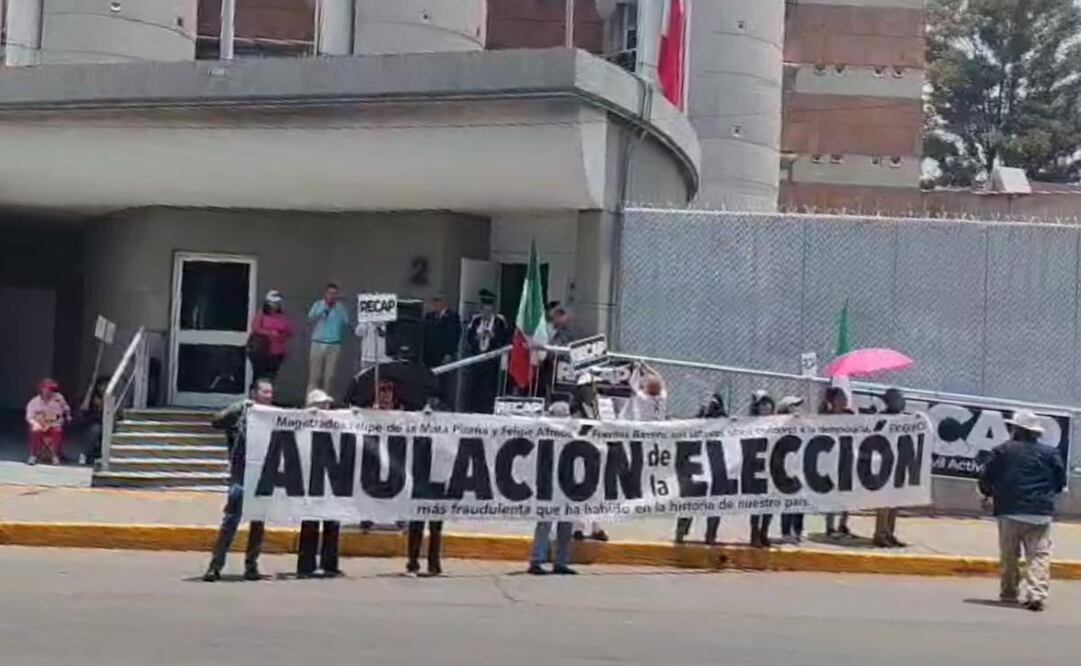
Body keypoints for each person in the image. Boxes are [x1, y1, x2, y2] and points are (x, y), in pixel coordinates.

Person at [978, 409, 1066, 612]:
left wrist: (987, 494)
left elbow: (986, 478)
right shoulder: (1050, 453)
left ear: (1016, 429)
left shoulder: (1002, 451)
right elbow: (1060, 482)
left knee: (1009, 555)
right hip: (1040, 512)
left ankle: (1009, 593)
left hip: (1008, 510)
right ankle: (1036, 594)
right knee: (1039, 555)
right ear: (1036, 433)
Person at [203, 379, 274, 582]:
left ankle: (251, 566)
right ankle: (215, 566)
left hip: (261, 477)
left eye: (271, 393)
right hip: (241, 477)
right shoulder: (241, 412)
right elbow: (216, 421)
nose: (269, 396)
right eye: (265, 392)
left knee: (258, 524)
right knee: (230, 523)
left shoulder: (272, 416)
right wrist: (240, 407)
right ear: (253, 393)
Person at [296, 389, 343, 579]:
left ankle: (329, 564)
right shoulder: (300, 425)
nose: (327, 408)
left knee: (332, 522)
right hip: (311, 480)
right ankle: (306, 566)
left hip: (331, 479)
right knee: (310, 523)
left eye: (327, 405)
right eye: (323, 405)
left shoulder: (334, 424)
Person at [528, 401, 577, 575]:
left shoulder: (572, 432)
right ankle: (538, 560)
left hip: (565, 481)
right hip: (549, 482)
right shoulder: (541, 431)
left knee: (565, 522)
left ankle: (560, 561)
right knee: (546, 521)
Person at [676, 392, 727, 545]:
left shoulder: (725, 422)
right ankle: (681, 532)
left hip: (716, 468)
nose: (712, 408)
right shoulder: (696, 423)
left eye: (715, 405)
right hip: (697, 469)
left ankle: (711, 535)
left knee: (716, 502)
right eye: (710, 405)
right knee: (690, 501)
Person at [873, 388, 908, 548]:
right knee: (884, 500)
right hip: (884, 462)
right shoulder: (882, 417)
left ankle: (889, 533)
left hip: (898, 462)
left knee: (895, 501)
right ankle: (879, 533)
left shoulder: (904, 419)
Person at [464, 289, 509, 414]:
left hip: (491, 361)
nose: (486, 314)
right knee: (474, 386)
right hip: (477, 359)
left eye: (488, 311)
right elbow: (469, 338)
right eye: (483, 310)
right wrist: (476, 338)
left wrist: (493, 336)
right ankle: (473, 409)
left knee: (488, 387)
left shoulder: (499, 322)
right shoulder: (476, 321)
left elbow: (504, 339)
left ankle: (486, 409)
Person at [822, 386, 854, 538]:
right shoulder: (826, 417)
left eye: (844, 396)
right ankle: (830, 526)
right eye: (840, 397)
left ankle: (843, 523)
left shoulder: (851, 415)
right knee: (832, 493)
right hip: (831, 458)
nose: (844, 400)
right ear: (832, 400)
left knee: (847, 492)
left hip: (847, 456)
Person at [307, 282, 350, 394]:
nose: (332, 296)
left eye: (335, 294)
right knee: (314, 375)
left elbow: (346, 322)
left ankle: (325, 400)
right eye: (330, 293)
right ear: (325, 294)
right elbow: (310, 319)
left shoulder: (340, 307)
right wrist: (323, 309)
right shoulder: (318, 304)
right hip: (318, 343)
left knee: (329, 376)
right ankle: (311, 400)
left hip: (334, 344)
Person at [748, 390, 777, 548]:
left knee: (770, 502)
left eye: (768, 403)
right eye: (762, 404)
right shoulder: (750, 424)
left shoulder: (777, 423)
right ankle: (754, 534)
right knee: (756, 503)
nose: (766, 407)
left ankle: (764, 532)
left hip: (771, 466)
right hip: (755, 466)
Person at [777, 395, 806, 543]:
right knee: (788, 500)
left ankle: (798, 530)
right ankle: (786, 531)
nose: (797, 409)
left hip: (798, 466)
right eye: (793, 406)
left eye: (798, 405)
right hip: (784, 467)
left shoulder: (802, 424)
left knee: (801, 499)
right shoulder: (780, 425)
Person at [249, 290, 294, 384]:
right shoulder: (261, 314)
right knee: (259, 377)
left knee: (271, 377)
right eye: (274, 303)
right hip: (262, 351)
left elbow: (289, 332)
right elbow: (255, 328)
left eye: (278, 303)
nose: (276, 305)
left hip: (277, 352)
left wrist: (281, 335)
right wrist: (269, 333)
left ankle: (268, 392)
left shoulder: (282, 316)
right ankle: (256, 392)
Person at [25, 378, 71, 465]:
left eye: (52, 390)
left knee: (58, 430)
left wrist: (67, 416)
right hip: (41, 423)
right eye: (48, 389)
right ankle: (33, 455)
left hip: (54, 422)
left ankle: (55, 455)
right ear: (42, 389)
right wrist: (35, 423)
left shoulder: (59, 398)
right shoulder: (34, 402)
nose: (50, 392)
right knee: (35, 431)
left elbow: (65, 409)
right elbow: (29, 417)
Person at [422, 294, 462, 369]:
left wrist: (449, 353)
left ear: (444, 303)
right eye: (434, 301)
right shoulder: (429, 316)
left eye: (438, 301)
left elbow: (454, 336)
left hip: (443, 354)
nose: (435, 304)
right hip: (429, 354)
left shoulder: (452, 316)